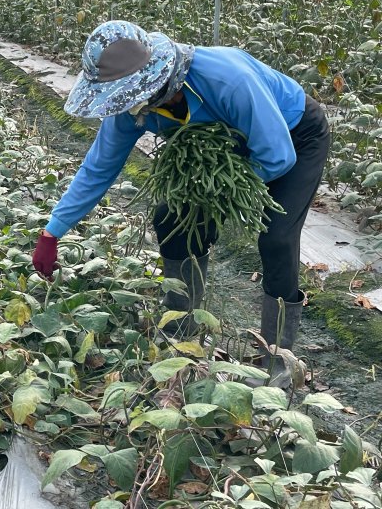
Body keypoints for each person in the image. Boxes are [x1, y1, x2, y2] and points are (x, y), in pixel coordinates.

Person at [31, 20, 330, 387]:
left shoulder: (227, 80)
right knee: (172, 218)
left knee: (277, 236)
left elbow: (277, 156)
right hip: (225, 146)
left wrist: (219, 191)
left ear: (156, 80)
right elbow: (98, 168)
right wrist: (52, 232)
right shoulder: (133, 108)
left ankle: (278, 360)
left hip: (294, 135)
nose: (129, 106)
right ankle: (182, 331)